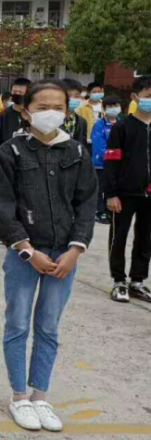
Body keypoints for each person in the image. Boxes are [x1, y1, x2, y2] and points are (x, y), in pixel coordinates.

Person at [0, 80, 97, 432]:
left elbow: (85, 205)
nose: (49, 113)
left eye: (57, 107)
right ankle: (19, 396)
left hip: (63, 255)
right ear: (25, 111)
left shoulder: (77, 153)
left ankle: (41, 396)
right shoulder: (12, 152)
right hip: (26, 254)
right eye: (41, 107)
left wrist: (75, 250)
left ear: (67, 112)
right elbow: (3, 208)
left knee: (48, 326)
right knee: (18, 324)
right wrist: (26, 250)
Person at [105, 77, 151, 303]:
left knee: (146, 238)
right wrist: (111, 193)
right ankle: (119, 281)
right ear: (135, 97)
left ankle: (138, 281)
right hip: (124, 193)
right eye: (148, 96)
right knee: (119, 236)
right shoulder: (122, 127)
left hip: (149, 194)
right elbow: (111, 162)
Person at [90, 94, 121, 225]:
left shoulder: (123, 123)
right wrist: (112, 158)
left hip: (120, 164)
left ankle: (110, 210)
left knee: (115, 187)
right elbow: (99, 145)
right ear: (104, 108)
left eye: (116, 105)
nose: (113, 108)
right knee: (100, 188)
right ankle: (99, 211)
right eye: (110, 106)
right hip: (101, 164)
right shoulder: (99, 125)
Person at [0, 78, 31, 156]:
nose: (17, 94)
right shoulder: (2, 116)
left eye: (20, 92)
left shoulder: (34, 116)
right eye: (14, 92)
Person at [60, 79, 90, 144]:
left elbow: (83, 145)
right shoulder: (51, 119)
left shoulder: (82, 122)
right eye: (68, 96)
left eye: (77, 96)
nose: (72, 99)